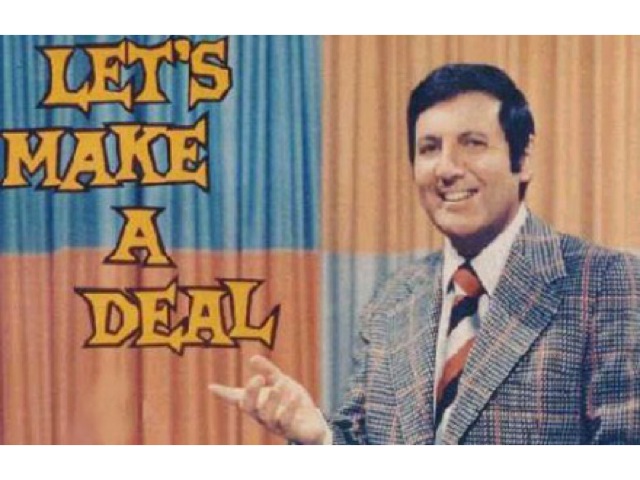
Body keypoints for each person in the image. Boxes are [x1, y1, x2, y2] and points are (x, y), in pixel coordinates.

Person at [210, 63, 640, 444]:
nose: (447, 168)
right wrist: (320, 437)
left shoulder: (607, 281)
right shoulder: (393, 300)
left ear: (522, 158)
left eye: (473, 143)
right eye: (429, 148)